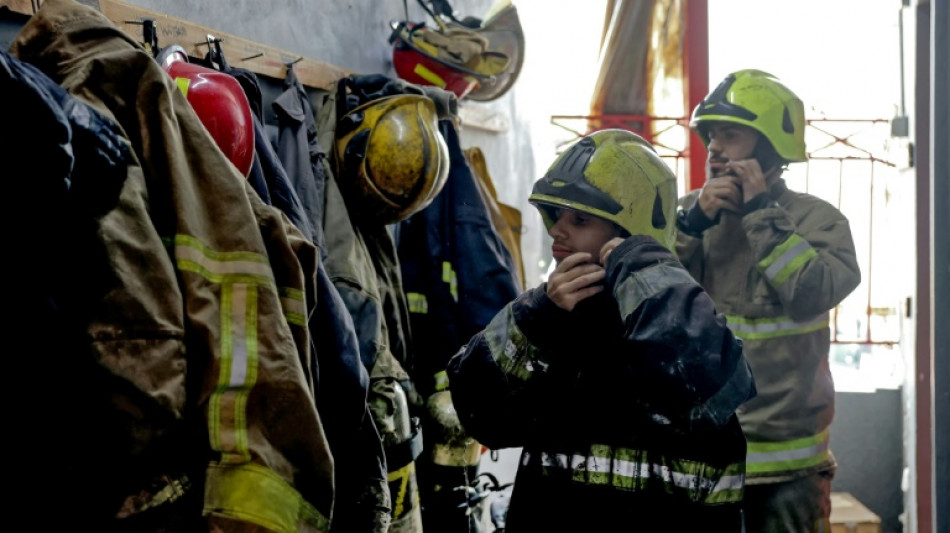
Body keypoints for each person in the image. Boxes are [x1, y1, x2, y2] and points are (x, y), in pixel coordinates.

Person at [446, 128, 757, 532]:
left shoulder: (678, 321)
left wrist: (640, 265)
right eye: (556, 215)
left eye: (579, 219)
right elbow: (481, 416)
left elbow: (709, 386)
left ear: (628, 233)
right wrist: (536, 315)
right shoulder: (552, 319)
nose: (557, 231)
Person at [675, 69, 862, 532]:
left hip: (788, 471)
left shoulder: (819, 221)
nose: (715, 148)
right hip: (701, 455)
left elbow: (811, 292)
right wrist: (691, 226)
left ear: (770, 148)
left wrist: (761, 214)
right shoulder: (691, 217)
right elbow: (649, 300)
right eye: (711, 135)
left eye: (731, 135)